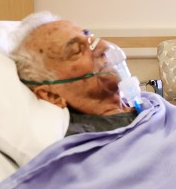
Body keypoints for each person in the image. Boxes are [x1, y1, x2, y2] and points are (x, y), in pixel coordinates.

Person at [10, 12, 141, 136]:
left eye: (89, 36)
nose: (103, 45)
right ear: (51, 95)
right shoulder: (84, 149)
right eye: (77, 50)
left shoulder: (149, 105)